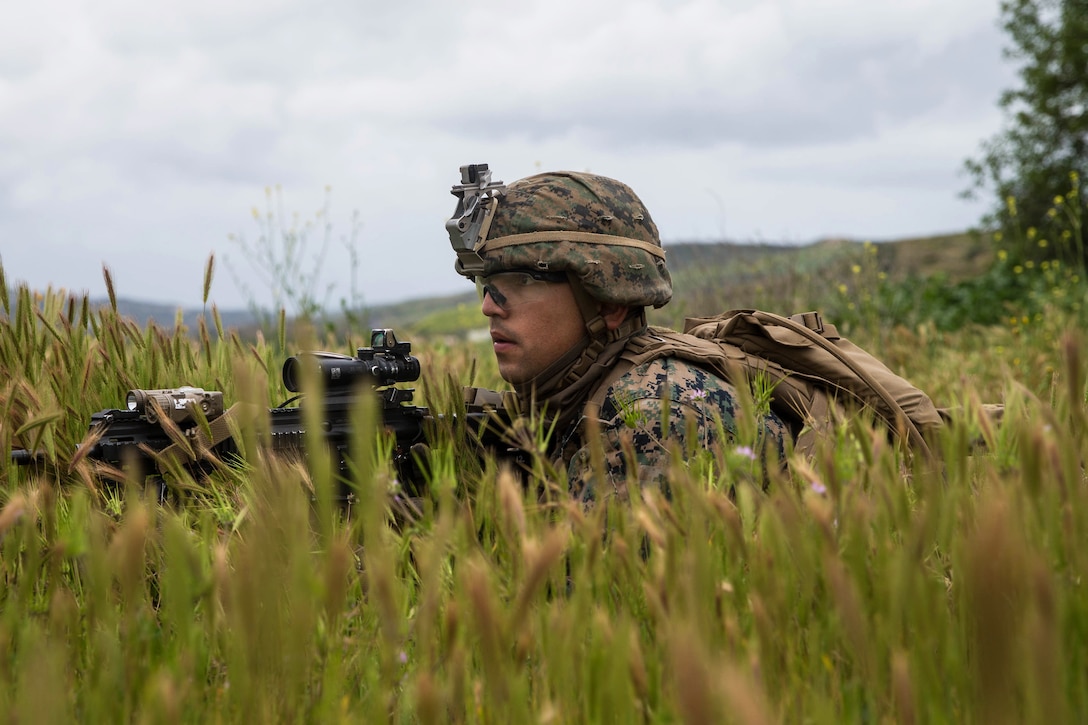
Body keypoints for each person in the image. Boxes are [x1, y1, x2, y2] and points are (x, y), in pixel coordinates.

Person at [447, 164, 788, 504]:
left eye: (523, 280)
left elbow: (588, 558)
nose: (490, 308)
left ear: (608, 304)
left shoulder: (652, 417)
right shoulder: (570, 396)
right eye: (486, 286)